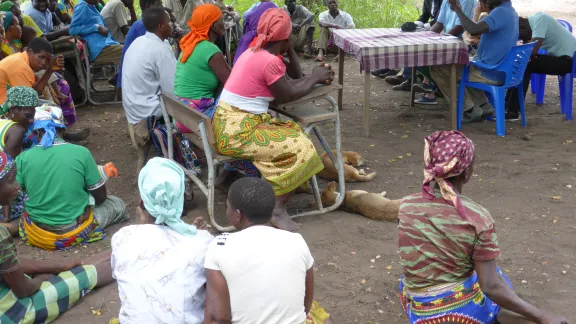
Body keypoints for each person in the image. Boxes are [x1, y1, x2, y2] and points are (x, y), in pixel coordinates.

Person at [398, 130, 571, 324]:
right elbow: (490, 286)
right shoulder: (477, 217)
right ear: (466, 172)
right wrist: (542, 316)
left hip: (417, 305)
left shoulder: (406, 205)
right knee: (497, 282)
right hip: (452, 312)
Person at [214, 8, 332, 231]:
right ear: (287, 37)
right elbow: (287, 95)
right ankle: (276, 208)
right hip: (239, 131)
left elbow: (291, 83)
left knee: (292, 133)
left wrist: (310, 74)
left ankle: (269, 190)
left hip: (229, 124)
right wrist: (315, 77)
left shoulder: (254, 52)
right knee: (302, 147)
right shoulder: (268, 62)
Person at [0, 151, 115, 323]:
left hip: (13, 275)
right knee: (86, 275)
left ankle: (124, 252)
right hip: (11, 312)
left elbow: (10, 262)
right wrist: (42, 278)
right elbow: (23, 290)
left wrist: (59, 265)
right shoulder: (81, 153)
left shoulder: (26, 156)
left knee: (74, 267)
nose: (17, 185)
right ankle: (133, 258)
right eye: (11, 181)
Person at [204, 177, 332, 324]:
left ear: (238, 214)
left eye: (227, 207)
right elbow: (305, 305)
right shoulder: (296, 240)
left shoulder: (219, 246)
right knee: (319, 313)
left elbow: (220, 317)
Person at [111, 157, 213, 323]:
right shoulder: (203, 241)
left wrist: (143, 227)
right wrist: (194, 237)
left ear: (141, 202)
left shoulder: (122, 237)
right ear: (180, 200)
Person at [16, 105, 128, 250]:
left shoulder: (23, 158)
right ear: (63, 129)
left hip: (36, 232)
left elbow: (20, 192)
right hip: (74, 231)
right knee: (117, 204)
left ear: (37, 131)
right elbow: (101, 197)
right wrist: (87, 205)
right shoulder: (81, 153)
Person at [429, 0, 517, 123]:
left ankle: (468, 110)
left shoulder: (500, 12)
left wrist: (457, 8)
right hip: (500, 70)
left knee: (437, 68)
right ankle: (483, 106)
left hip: (491, 72)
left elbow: (473, 30)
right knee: (466, 66)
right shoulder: (510, 11)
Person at [122, 7, 176, 174]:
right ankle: (188, 156)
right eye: (170, 22)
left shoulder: (139, 42)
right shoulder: (159, 49)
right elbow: (173, 90)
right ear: (161, 26)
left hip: (133, 106)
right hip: (148, 110)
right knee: (195, 104)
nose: (173, 25)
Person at [388, 0, 474, 95]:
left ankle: (435, 86)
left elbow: (459, 27)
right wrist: (426, 37)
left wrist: (439, 41)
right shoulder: (446, 1)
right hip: (447, 40)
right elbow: (439, 23)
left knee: (426, 57)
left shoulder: (467, 1)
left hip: (460, 43)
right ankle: (431, 85)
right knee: (415, 50)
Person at [505, 13, 576, 120]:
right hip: (563, 59)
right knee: (522, 62)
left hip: (569, 61)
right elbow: (529, 49)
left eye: (522, 37)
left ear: (522, 28)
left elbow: (532, 49)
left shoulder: (540, 19)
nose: (526, 39)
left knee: (525, 64)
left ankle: (513, 111)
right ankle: (508, 106)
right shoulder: (534, 23)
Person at [175, 4, 228, 120]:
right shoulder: (210, 49)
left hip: (180, 115)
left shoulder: (189, 44)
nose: (224, 23)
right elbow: (231, 82)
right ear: (213, 26)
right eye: (221, 19)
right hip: (199, 117)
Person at [371, 0, 442, 79]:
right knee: (402, 36)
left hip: (440, 31)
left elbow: (440, 21)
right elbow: (425, 16)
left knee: (414, 43)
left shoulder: (444, 1)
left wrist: (420, 27)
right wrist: (414, 24)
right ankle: (391, 66)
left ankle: (406, 76)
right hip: (430, 28)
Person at [0, 87, 36, 232]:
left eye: (33, 115)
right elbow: (6, 176)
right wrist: (6, 216)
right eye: (27, 115)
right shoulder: (17, 131)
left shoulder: (3, 123)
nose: (32, 120)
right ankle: (7, 226)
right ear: (13, 109)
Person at [69, 0, 123, 82]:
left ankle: (119, 78)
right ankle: (120, 80)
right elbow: (72, 30)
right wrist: (96, 27)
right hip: (99, 49)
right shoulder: (82, 7)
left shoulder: (92, 6)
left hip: (105, 45)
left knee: (129, 51)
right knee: (129, 52)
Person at [115, 0, 163, 89]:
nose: (162, 9)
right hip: (135, 82)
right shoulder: (144, 26)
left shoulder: (143, 23)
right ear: (148, 6)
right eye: (159, 4)